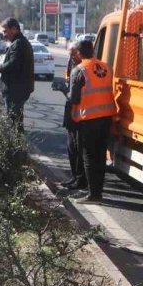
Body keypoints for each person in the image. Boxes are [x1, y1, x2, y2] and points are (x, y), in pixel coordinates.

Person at [66, 39, 115, 203]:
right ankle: (97, 192)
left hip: (89, 119)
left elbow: (73, 98)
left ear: (79, 54)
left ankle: (93, 195)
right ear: (93, 51)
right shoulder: (106, 67)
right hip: (107, 116)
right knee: (100, 157)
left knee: (88, 157)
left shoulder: (79, 70)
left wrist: (63, 90)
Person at [0, 17, 34, 133]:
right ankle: (18, 146)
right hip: (19, 88)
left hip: (16, 89)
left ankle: (16, 147)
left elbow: (13, 64)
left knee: (13, 120)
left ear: (14, 29)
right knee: (16, 120)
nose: (4, 35)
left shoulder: (19, 44)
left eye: (5, 31)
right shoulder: (20, 43)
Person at [61, 41, 86, 191]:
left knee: (77, 147)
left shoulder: (84, 68)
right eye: (69, 55)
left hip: (81, 111)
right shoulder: (72, 64)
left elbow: (76, 93)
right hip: (71, 108)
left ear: (79, 53)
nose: (71, 58)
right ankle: (75, 176)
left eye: (73, 55)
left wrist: (66, 91)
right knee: (71, 146)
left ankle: (80, 179)